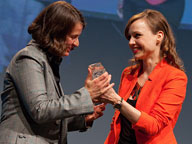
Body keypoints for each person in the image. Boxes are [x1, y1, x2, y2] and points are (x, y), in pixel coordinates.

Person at [0, 1, 114, 144]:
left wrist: (82, 119)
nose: (77, 43)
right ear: (56, 33)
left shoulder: (46, 61)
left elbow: (46, 121)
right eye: (73, 37)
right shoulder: (28, 58)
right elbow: (40, 110)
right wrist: (87, 94)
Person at [101, 9, 188, 144]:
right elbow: (117, 122)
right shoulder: (128, 74)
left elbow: (153, 126)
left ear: (159, 36)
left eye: (137, 36)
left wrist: (117, 101)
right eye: (129, 37)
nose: (131, 42)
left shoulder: (175, 77)